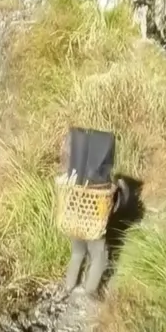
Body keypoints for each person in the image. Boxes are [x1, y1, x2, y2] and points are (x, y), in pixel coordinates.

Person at [57, 128, 128, 299]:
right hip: (93, 223)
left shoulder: (74, 175)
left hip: (73, 217)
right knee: (100, 255)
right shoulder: (103, 185)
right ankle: (90, 290)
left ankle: (69, 286)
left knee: (77, 252)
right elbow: (117, 203)